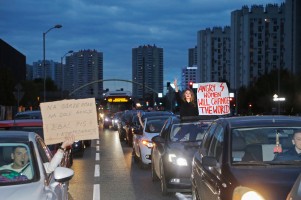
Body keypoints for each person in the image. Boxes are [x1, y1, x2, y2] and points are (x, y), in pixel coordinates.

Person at [0, 135, 75, 179]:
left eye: (26, 154)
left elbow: (51, 167)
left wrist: (63, 147)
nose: (23, 157)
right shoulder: (2, 169)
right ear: (12, 156)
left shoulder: (35, 168)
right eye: (19, 153)